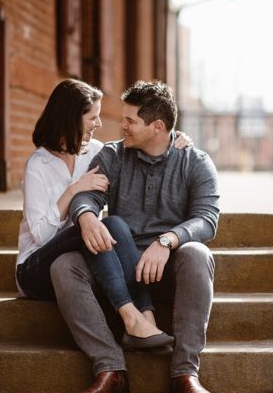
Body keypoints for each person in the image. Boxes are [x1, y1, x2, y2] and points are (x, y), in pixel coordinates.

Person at [51, 80, 219, 393]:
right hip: (118, 268)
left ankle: (185, 372)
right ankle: (111, 369)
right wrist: (85, 216)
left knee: (197, 254)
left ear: (157, 127)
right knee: (64, 265)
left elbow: (207, 220)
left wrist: (168, 240)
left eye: (130, 121)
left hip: (167, 269)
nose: (121, 125)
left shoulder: (195, 162)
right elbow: (87, 196)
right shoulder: (114, 155)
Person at [16, 78, 178, 347]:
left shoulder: (96, 152)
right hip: (35, 268)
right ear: (72, 117)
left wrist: (176, 138)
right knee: (98, 226)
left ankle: (144, 317)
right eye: (93, 117)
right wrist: (73, 190)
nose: (99, 124)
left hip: (81, 254)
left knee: (113, 223)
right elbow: (42, 236)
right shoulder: (38, 164)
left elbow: (148, 140)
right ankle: (132, 316)